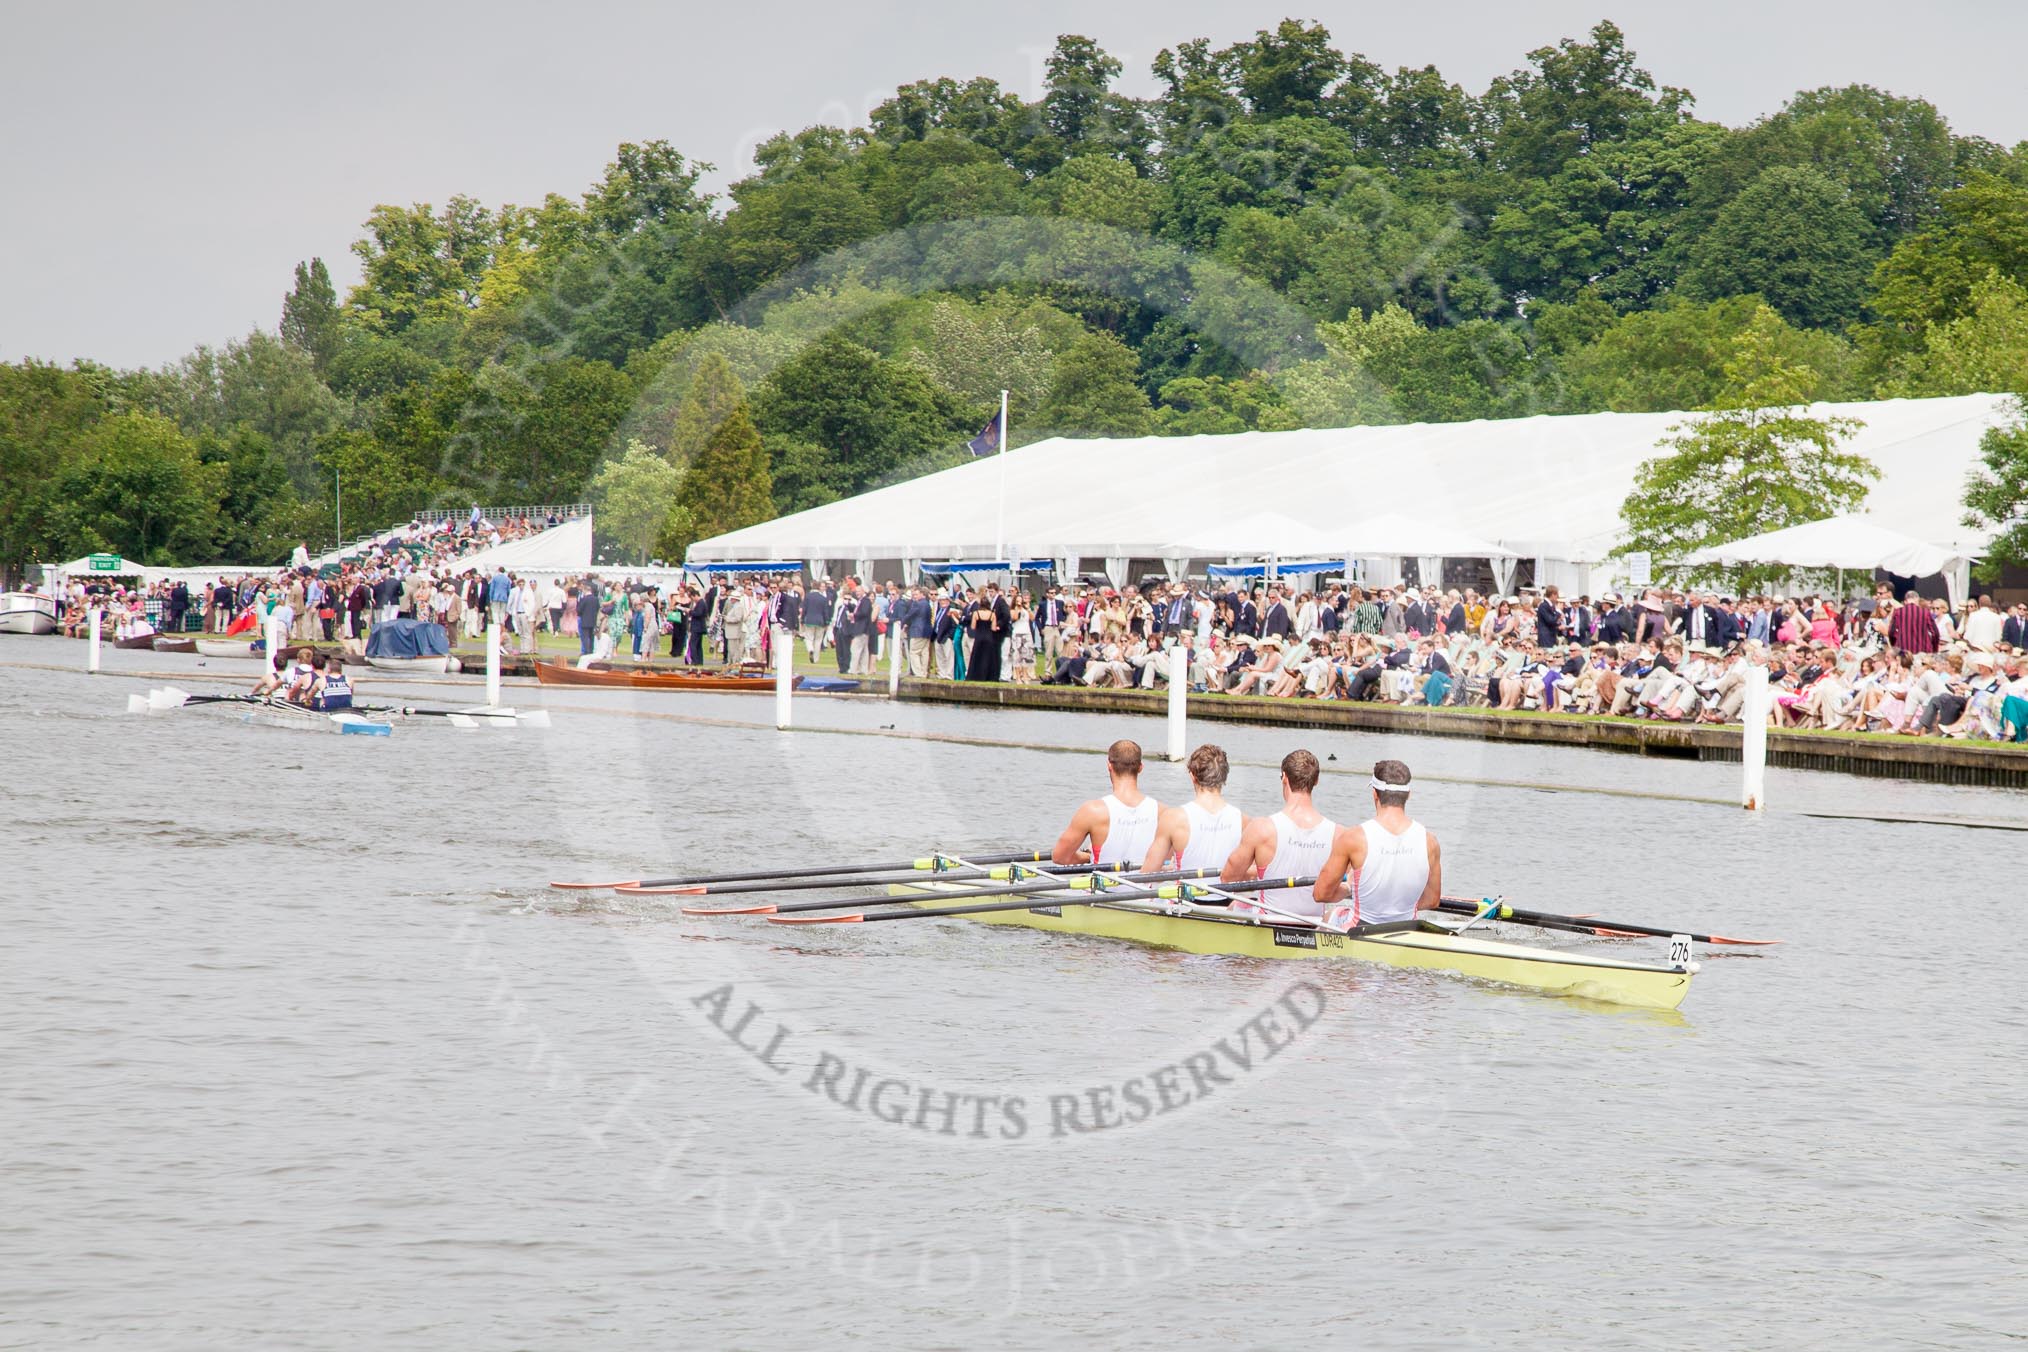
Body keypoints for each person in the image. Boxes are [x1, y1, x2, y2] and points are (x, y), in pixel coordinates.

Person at [1310, 760, 1442, 928]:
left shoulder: (1353, 838)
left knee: (1331, 915)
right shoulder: (1430, 841)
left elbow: (1321, 893)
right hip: (1408, 928)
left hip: (1360, 928)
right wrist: (1396, 910)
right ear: (1408, 794)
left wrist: (1349, 887)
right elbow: (1432, 900)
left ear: (1374, 793)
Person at [1219, 749, 1336, 919]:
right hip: (1314, 923)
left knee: (1237, 904)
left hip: (1270, 922)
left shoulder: (1261, 828)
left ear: (1284, 778)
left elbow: (1227, 878)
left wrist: (1257, 871)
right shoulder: (1338, 834)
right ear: (1316, 781)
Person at [1050, 739, 1161, 867]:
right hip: (1145, 886)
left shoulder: (1092, 811)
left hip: (1104, 886)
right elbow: (1166, 859)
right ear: (1141, 767)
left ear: (1109, 765)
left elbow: (1060, 857)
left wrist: (1089, 855)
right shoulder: (1162, 811)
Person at [1140, 744, 1244, 873]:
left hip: (1185, 892)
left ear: (1192, 776)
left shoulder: (1173, 818)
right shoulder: (1243, 820)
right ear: (1224, 777)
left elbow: (1147, 873)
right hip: (1225, 892)